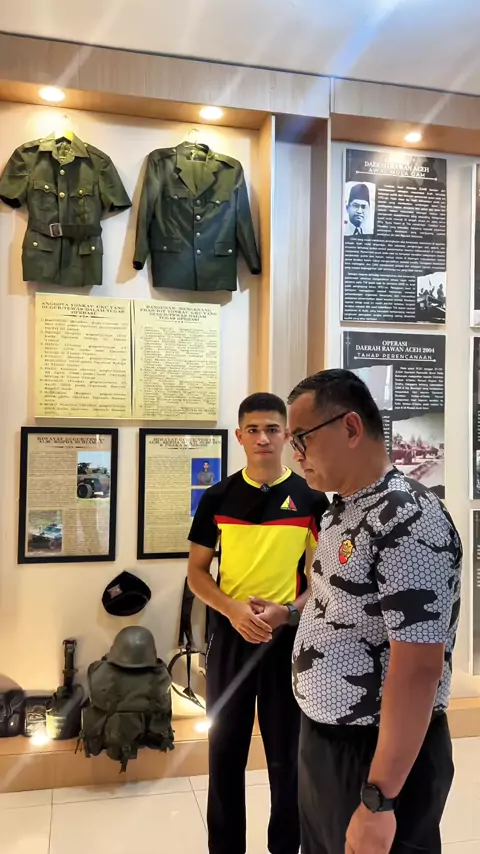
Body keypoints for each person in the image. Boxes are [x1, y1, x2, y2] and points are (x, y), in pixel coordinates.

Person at [282, 369, 460, 854]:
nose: (295, 455)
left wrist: (379, 800)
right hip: (330, 744)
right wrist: (288, 614)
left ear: (350, 428)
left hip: (376, 756)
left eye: (301, 438)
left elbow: (418, 669)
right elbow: (342, 598)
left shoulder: (407, 518)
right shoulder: (345, 508)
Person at [187, 392, 329, 854]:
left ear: (287, 435)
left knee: (287, 755)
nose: (263, 438)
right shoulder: (217, 497)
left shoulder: (311, 500)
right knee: (224, 753)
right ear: (239, 436)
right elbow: (196, 574)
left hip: (287, 639)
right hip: (231, 638)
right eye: (253, 430)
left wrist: (288, 611)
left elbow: (324, 578)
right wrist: (232, 610)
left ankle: (285, 847)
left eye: (272, 429)